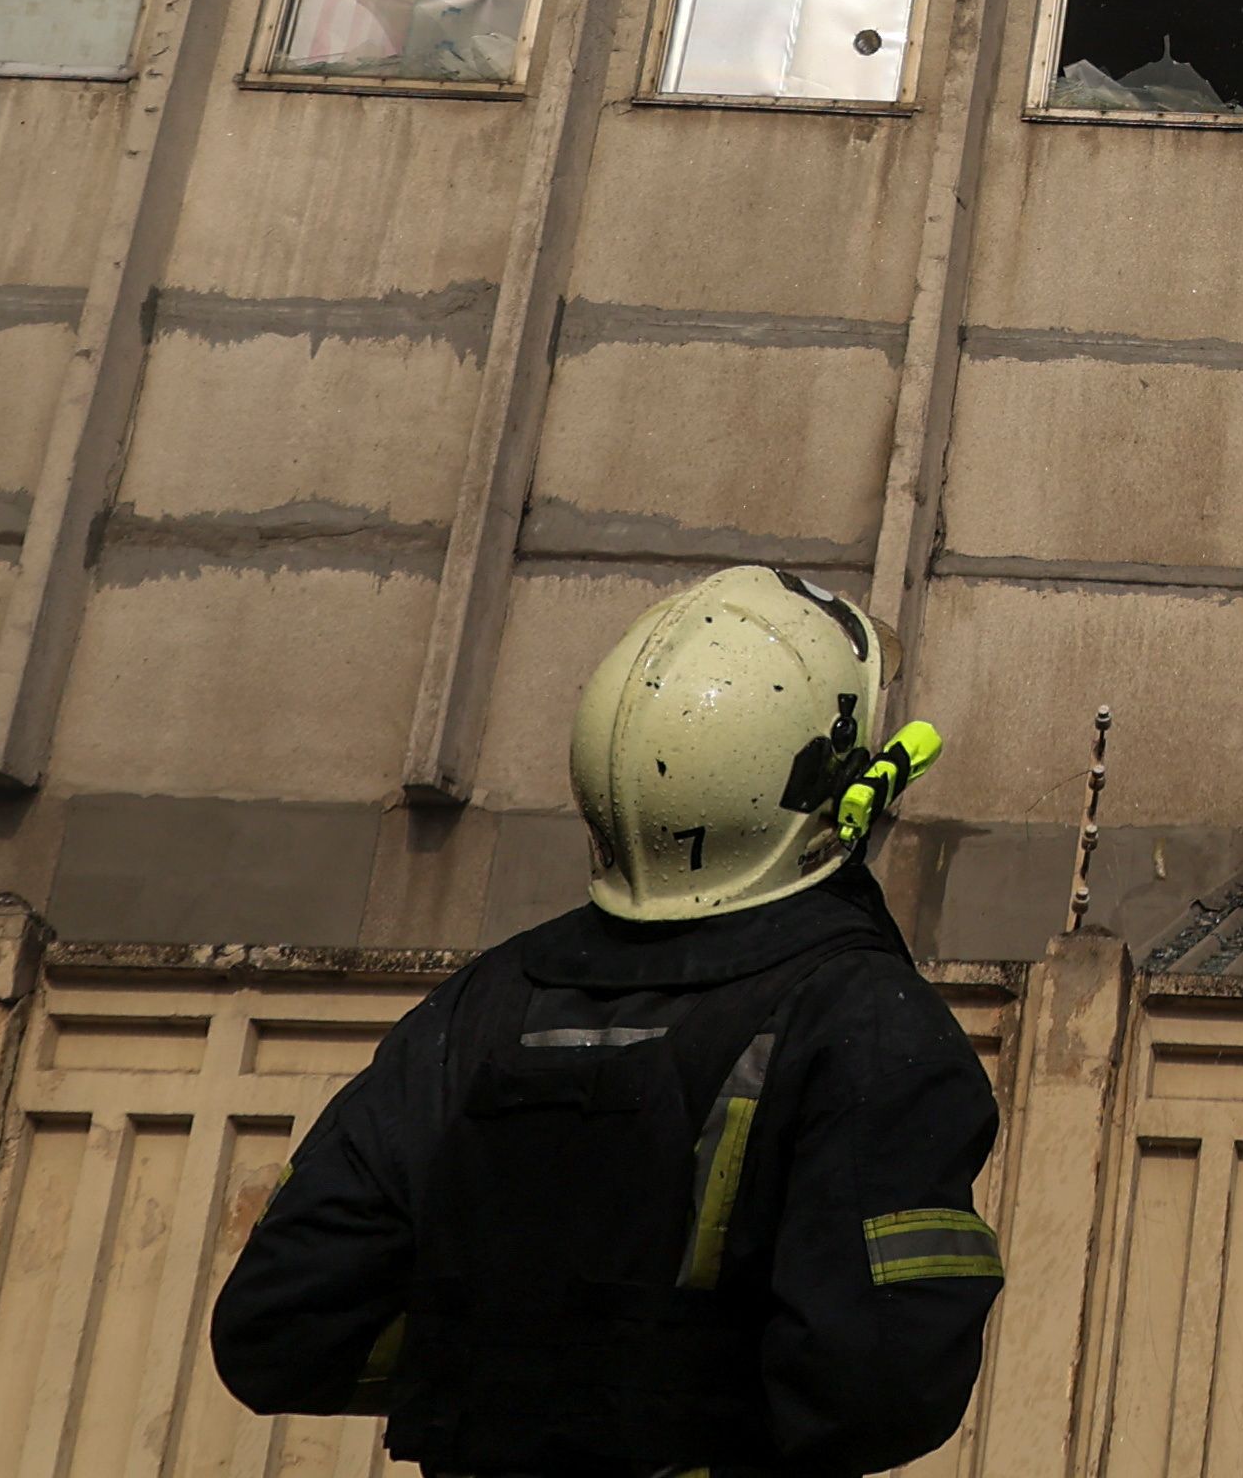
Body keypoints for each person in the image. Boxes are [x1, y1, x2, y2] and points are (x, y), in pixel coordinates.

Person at [212, 568, 1004, 1476]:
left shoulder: (479, 1008)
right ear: (843, 797)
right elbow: (883, 1386)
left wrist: (517, 1375)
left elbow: (279, 1331)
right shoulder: (868, 1025)